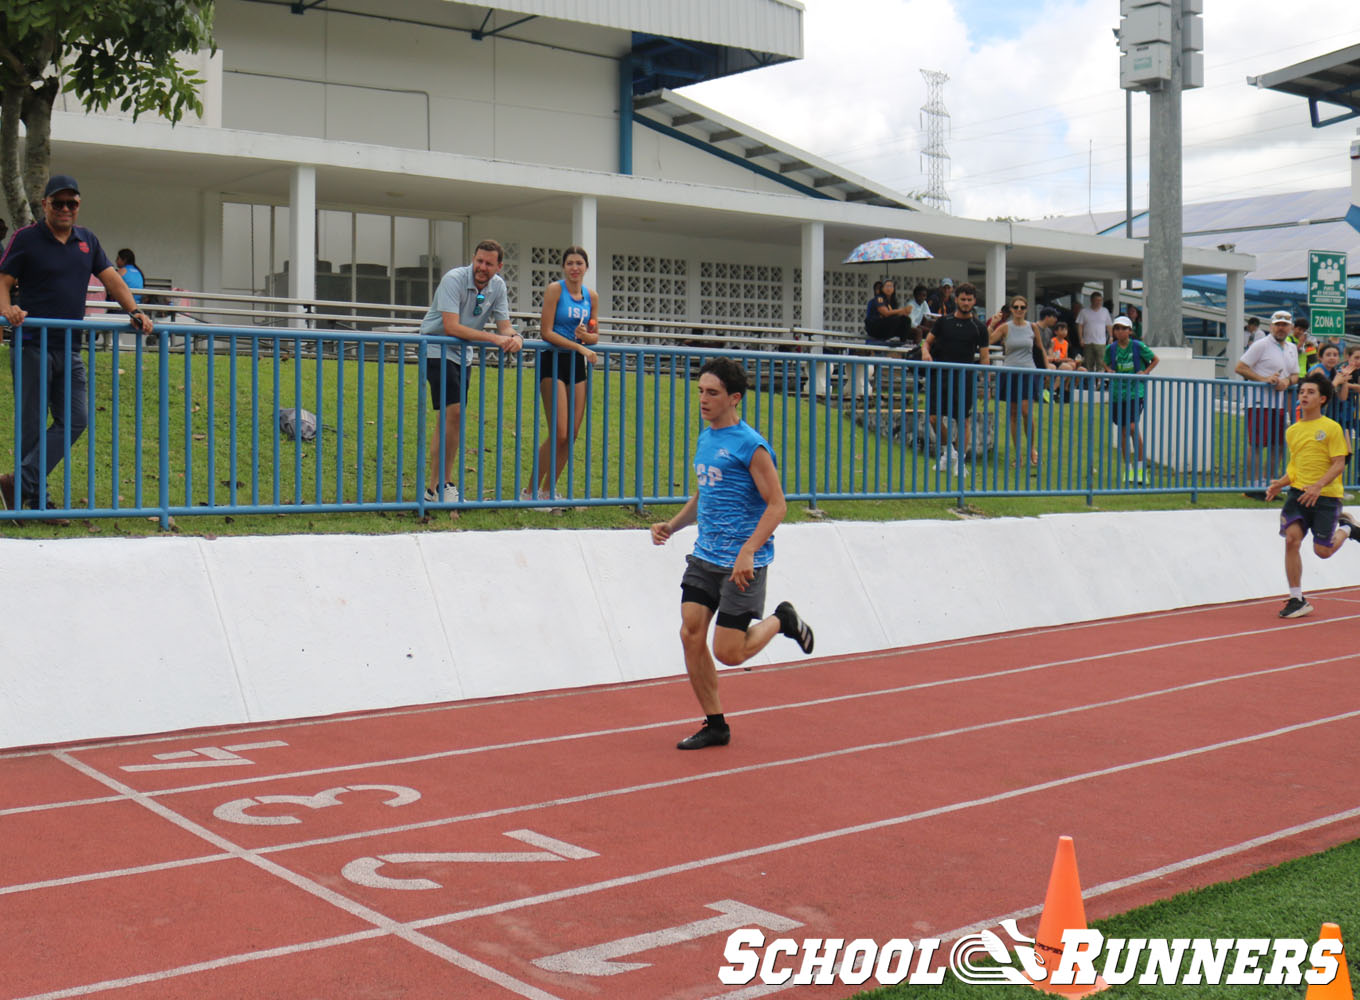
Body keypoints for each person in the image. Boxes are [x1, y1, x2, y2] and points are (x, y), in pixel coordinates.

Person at [649, 357, 814, 750]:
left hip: (743, 564)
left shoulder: (751, 446)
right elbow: (705, 493)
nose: (703, 399)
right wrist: (672, 525)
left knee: (729, 652)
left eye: (713, 393)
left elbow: (777, 505)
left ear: (734, 398)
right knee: (691, 633)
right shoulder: (707, 438)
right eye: (701, 392)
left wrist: (748, 550)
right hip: (705, 557)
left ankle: (782, 620)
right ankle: (715, 723)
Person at [0, 174, 152, 519]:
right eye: (59, 203)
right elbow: (3, 281)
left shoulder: (87, 240)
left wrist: (135, 310)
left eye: (72, 203)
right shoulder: (27, 238)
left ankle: (18, 484)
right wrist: (7, 309)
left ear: (79, 205)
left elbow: (112, 278)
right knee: (32, 425)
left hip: (69, 346)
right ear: (45, 205)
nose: (66, 209)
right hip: (31, 343)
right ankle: (35, 503)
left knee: (76, 420)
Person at [419, 238, 523, 506]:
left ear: (498, 266)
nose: (482, 267)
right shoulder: (453, 279)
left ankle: (434, 489)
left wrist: (515, 337)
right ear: (473, 259)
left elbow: (504, 327)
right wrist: (495, 340)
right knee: (451, 413)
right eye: (479, 261)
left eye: (489, 264)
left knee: (451, 417)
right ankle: (443, 483)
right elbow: (451, 326)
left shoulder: (497, 286)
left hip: (462, 354)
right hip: (437, 348)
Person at [1264, 371, 1359, 619]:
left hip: (1326, 496)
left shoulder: (1332, 428)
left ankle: (1348, 528)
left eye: (1310, 392)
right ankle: (1297, 598)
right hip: (1298, 495)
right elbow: (1295, 468)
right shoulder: (1293, 430)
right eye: (1302, 392)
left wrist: (1318, 486)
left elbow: (1339, 463)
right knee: (1291, 540)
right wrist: (1279, 484)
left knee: (1322, 551)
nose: (1304, 396)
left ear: (1323, 399)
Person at [530, 245, 599, 505]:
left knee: (571, 435)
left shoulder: (591, 296)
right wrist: (578, 345)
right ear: (564, 267)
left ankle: (549, 492)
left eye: (579, 263)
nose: (574, 268)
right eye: (570, 263)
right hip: (553, 361)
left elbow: (595, 334)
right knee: (559, 431)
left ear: (586, 268)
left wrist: (585, 338)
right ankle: (530, 491)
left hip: (576, 365)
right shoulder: (555, 290)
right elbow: (546, 331)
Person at [921, 281, 990, 478]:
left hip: (964, 377)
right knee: (933, 417)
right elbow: (926, 343)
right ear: (956, 299)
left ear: (974, 301)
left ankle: (960, 461)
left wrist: (984, 383)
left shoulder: (979, 327)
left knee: (963, 420)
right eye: (962, 299)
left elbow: (985, 358)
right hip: (941, 375)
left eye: (969, 300)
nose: (966, 303)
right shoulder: (943, 322)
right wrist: (926, 353)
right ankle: (948, 452)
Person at [1234, 310, 1299, 495]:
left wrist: (1287, 382)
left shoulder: (1292, 348)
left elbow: (1295, 374)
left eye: (1284, 325)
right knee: (1256, 444)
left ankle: (1270, 485)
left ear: (1290, 328)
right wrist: (1264, 379)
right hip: (1258, 402)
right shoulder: (1260, 345)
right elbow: (1240, 367)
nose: (1281, 328)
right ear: (1271, 326)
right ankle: (1252, 486)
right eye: (1277, 324)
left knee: (1278, 445)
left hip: (1278, 404)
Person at [988, 295, 1053, 470]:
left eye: (1022, 307)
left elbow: (1040, 349)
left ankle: (1032, 449)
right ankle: (1018, 454)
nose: (1018, 310)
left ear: (1026, 309)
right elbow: (986, 341)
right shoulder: (1005, 328)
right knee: (1013, 413)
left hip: (1027, 371)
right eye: (1015, 307)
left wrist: (1046, 369)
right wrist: (993, 324)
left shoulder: (1032, 327)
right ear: (1011, 309)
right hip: (1010, 372)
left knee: (1026, 411)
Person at [1104, 316, 1159, 483]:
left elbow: (1155, 359)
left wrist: (1145, 371)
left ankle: (1141, 470)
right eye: (1117, 328)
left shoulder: (1138, 346)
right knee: (1122, 430)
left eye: (1123, 328)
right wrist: (1109, 371)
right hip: (1116, 394)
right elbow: (1105, 363)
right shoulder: (1110, 348)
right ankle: (1128, 469)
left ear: (1130, 330)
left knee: (1132, 427)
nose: (1120, 331)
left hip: (1135, 392)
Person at [865, 278, 912, 347]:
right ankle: (887, 339)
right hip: (875, 326)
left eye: (891, 286)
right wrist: (902, 310)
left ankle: (902, 342)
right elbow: (885, 313)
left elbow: (898, 313)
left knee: (906, 320)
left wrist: (906, 312)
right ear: (882, 288)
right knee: (895, 319)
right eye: (887, 286)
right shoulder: (879, 298)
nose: (889, 288)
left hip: (886, 325)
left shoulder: (893, 301)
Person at [1075, 291, 1112, 373]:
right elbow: (1080, 326)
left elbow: (1109, 325)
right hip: (1088, 342)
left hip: (1101, 342)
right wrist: (1081, 338)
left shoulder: (1105, 311)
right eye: (1097, 300)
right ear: (1092, 300)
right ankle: (1090, 384)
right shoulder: (1084, 312)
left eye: (1100, 300)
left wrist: (1111, 336)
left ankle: (1100, 383)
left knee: (1101, 363)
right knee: (1088, 364)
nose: (1099, 302)